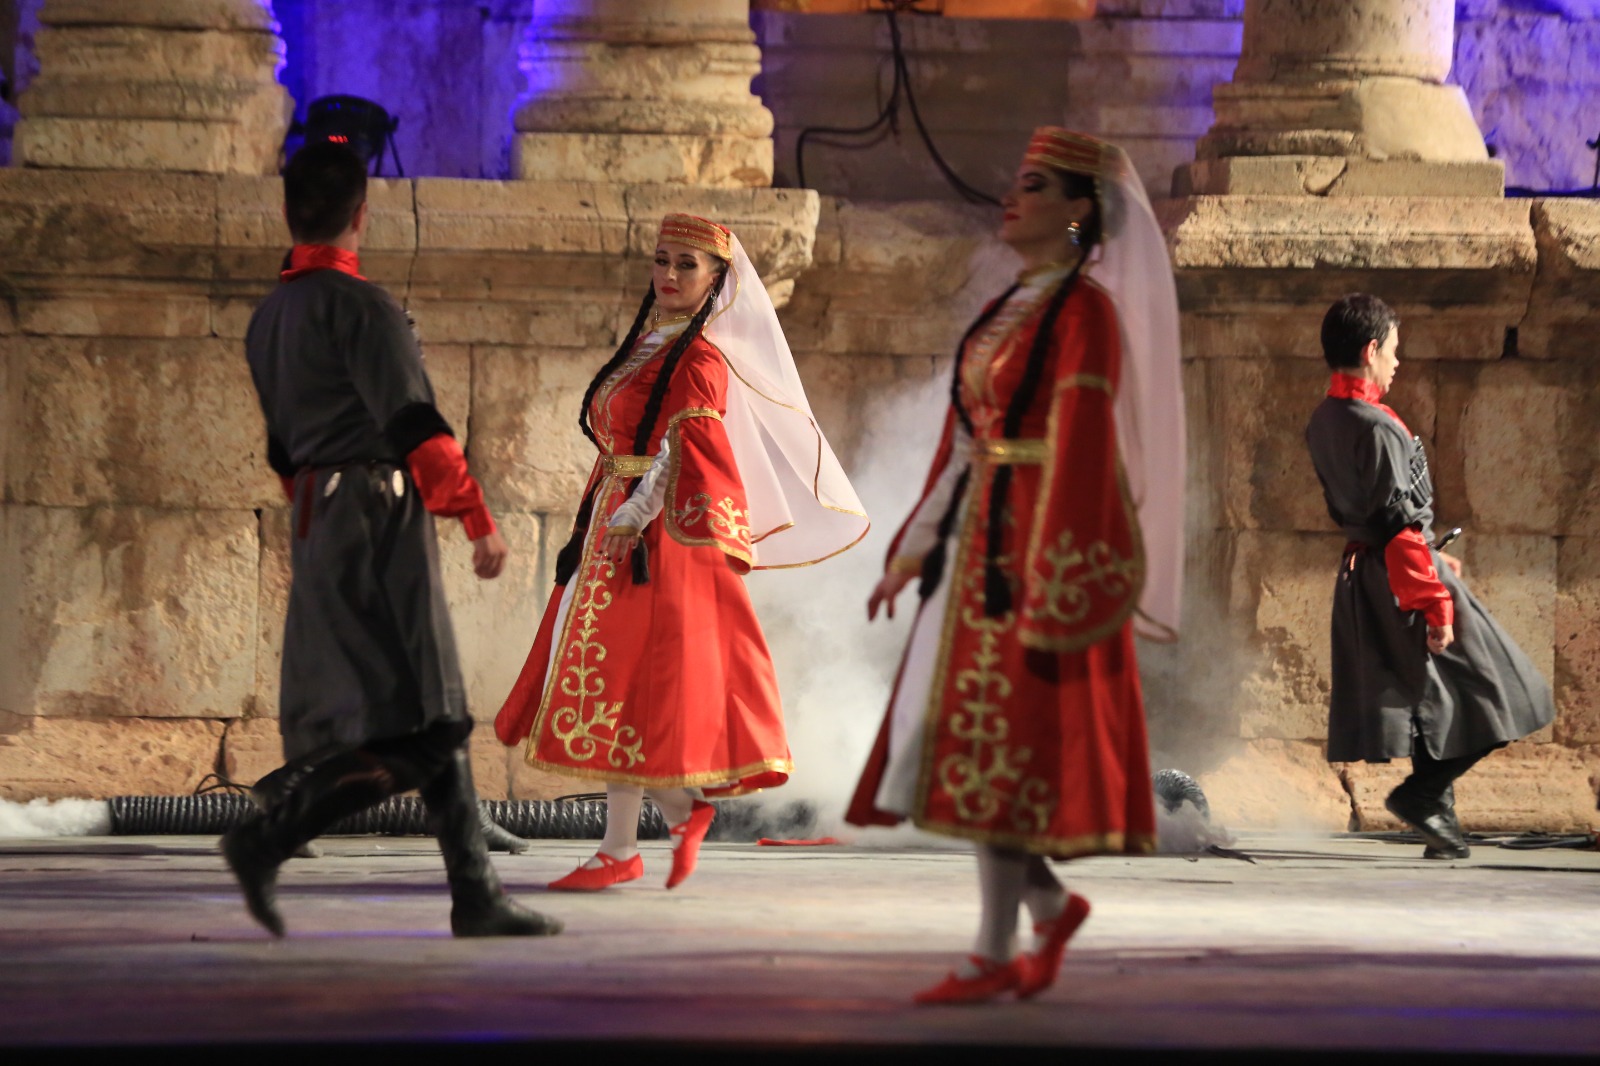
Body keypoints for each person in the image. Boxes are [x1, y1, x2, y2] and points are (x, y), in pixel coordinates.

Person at [845, 128, 1186, 1005]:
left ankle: (998, 948)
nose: (1013, 196)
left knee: (992, 748)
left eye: (1035, 185)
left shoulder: (1087, 314)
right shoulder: (1015, 307)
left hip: (1029, 552)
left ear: (1078, 212)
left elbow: (1083, 451)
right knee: (956, 745)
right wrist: (914, 550)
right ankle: (1044, 908)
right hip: (978, 547)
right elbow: (968, 440)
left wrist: (1048, 571)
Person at [227, 141, 560, 939]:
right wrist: (475, 518)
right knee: (430, 721)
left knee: (426, 707)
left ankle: (474, 893)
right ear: (363, 215)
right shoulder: (364, 308)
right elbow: (414, 424)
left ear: (287, 212)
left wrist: (316, 518)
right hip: (376, 512)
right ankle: (270, 838)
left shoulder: (269, 318)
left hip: (320, 514)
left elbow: (282, 451)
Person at [495, 214, 867, 891]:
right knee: (619, 684)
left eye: (685, 265)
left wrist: (635, 512)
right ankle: (658, 824)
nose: (668, 274)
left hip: (652, 538)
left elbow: (687, 446)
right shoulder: (650, 343)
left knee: (624, 679)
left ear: (717, 279)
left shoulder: (700, 357)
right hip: (616, 522)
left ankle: (636, 838)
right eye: (661, 260)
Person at [1305, 294, 1554, 859]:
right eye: (1393, 351)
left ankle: (1438, 818)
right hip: (1400, 575)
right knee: (1513, 688)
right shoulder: (1375, 426)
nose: (1397, 362)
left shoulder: (1325, 419)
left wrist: (1428, 553)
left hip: (1373, 574)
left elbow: (1373, 515)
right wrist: (1434, 600)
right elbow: (1396, 524)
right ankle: (1423, 795)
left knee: (1431, 696)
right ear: (1370, 350)